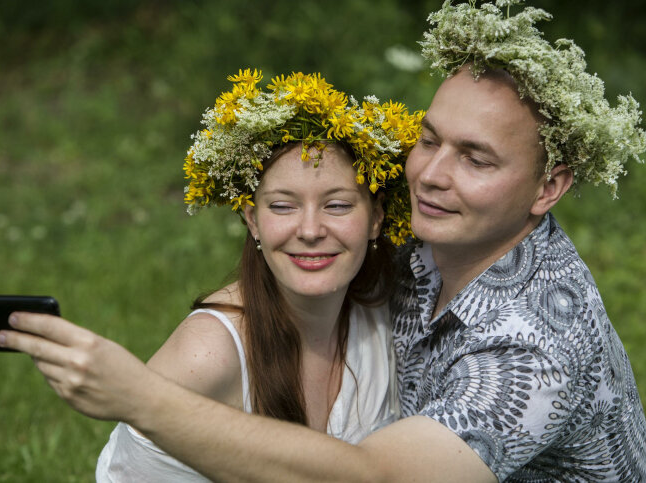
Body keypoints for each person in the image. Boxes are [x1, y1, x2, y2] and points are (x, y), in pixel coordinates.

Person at [0, 1, 646, 481]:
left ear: (548, 187)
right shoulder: (433, 237)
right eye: (429, 140)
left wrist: (140, 397)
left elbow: (380, 478)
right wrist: (220, 332)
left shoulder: (531, 349)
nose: (431, 176)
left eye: (476, 159)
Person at [81, 70, 420, 481]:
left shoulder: (391, 309)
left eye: (337, 206)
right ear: (252, 220)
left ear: (376, 218)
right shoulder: (207, 355)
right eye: (282, 206)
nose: (310, 231)